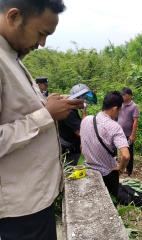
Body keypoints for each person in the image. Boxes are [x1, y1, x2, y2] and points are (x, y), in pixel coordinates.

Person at [0, 1, 84, 239]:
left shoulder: (12, 58)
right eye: (41, 33)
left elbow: (18, 112)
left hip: (35, 202)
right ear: (14, 16)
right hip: (20, 212)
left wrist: (53, 105)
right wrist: (46, 115)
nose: (42, 44)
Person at [80, 91, 130, 197]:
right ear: (115, 108)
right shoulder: (114, 127)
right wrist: (120, 168)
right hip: (107, 173)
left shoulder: (86, 120)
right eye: (119, 110)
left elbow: (82, 145)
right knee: (111, 200)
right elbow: (126, 156)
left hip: (88, 169)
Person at [59, 84, 89, 166]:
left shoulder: (71, 109)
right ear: (78, 98)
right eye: (84, 98)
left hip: (72, 148)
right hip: (71, 153)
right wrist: (84, 112)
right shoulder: (69, 112)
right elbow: (82, 132)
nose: (85, 100)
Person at [118, 87, 139, 176]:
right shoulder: (120, 104)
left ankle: (129, 170)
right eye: (122, 95)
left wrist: (133, 134)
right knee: (119, 150)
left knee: (129, 151)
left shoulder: (134, 106)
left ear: (130, 96)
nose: (123, 96)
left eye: (124, 95)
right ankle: (119, 166)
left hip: (128, 134)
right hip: (119, 132)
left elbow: (135, 121)